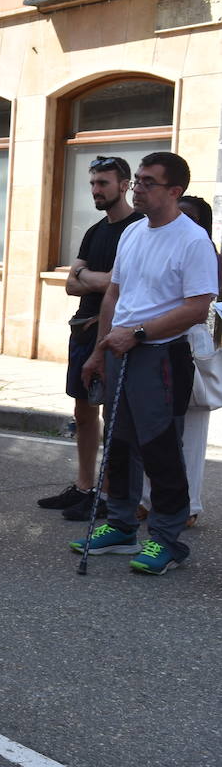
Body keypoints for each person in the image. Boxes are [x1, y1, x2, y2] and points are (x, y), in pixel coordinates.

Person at [75, 152, 218, 574]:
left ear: (174, 191)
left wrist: (136, 335)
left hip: (160, 356)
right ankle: (120, 525)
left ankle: (168, 539)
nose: (137, 187)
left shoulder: (193, 241)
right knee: (118, 442)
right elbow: (115, 295)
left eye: (148, 182)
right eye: (136, 179)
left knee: (159, 448)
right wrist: (100, 349)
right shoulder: (134, 232)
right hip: (119, 351)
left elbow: (197, 307)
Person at [38, 156, 143, 521]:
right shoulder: (95, 231)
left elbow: (124, 284)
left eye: (104, 183)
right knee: (84, 412)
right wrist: (99, 277)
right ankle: (84, 487)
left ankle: (110, 495)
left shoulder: (138, 228)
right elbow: (70, 283)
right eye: (93, 183)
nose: (96, 190)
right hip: (81, 330)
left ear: (125, 184)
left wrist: (88, 275)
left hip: (114, 334)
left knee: (115, 419)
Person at [138, 194, 217, 528]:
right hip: (158, 347)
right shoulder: (157, 245)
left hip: (197, 352)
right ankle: (145, 500)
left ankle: (190, 506)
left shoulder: (207, 254)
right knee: (152, 429)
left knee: (192, 433)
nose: (181, 220)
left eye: (190, 216)